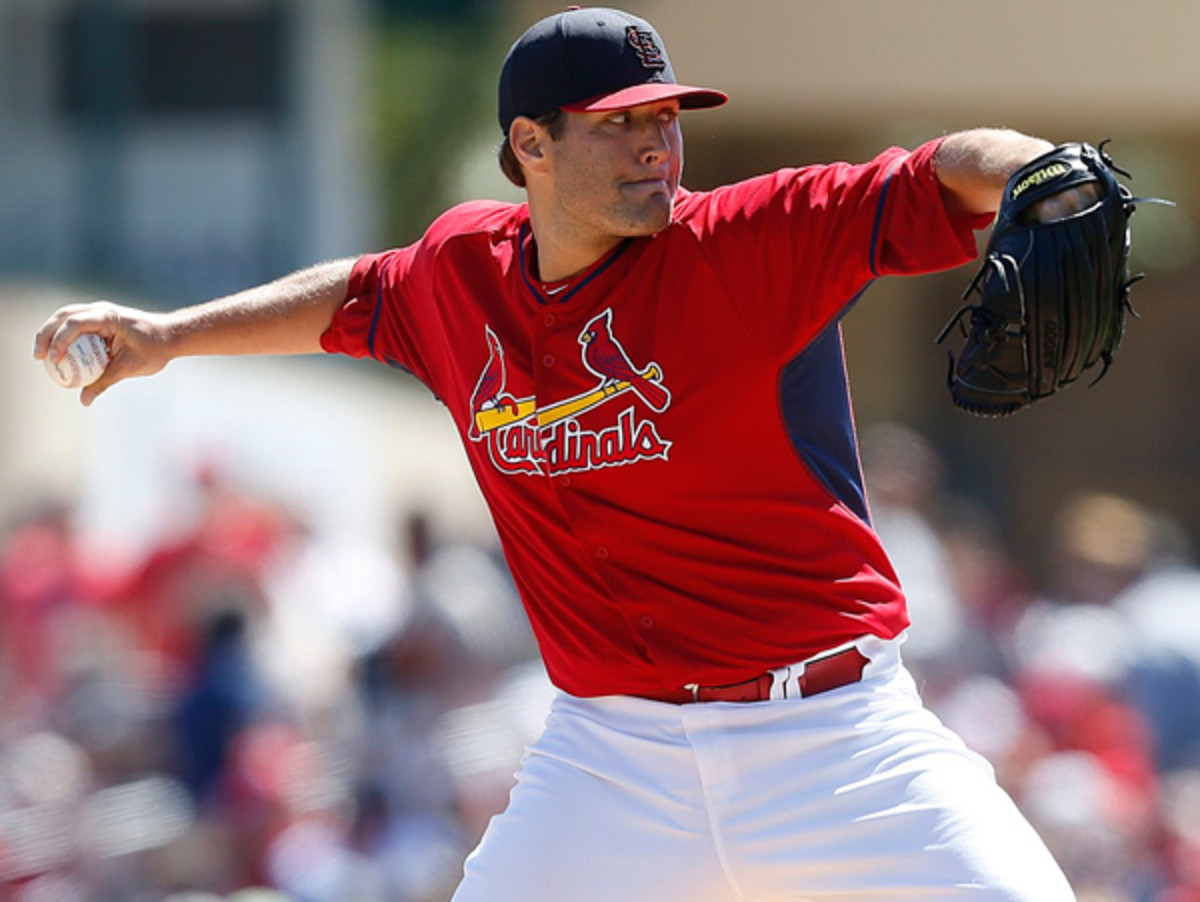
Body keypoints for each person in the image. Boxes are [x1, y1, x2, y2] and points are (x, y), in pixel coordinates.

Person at [35, 7, 1084, 899]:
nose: (657, 147)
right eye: (622, 124)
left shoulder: (744, 242)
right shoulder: (460, 275)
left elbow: (941, 171)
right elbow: (352, 295)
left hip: (833, 735)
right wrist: (169, 334)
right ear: (530, 146)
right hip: (611, 758)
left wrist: (1044, 171)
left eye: (666, 119)